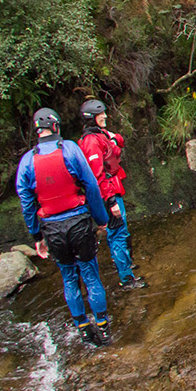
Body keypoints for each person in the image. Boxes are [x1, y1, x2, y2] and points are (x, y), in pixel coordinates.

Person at [16, 108, 112, 347]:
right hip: (78, 222)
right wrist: (101, 218)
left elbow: (27, 203)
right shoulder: (69, 148)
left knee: (69, 278)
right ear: (55, 126)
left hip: (52, 228)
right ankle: (103, 328)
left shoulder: (27, 161)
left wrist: (37, 236)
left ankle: (83, 330)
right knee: (90, 274)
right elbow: (90, 185)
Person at [78, 99, 146, 290]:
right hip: (107, 193)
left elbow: (119, 142)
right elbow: (97, 176)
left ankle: (126, 266)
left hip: (113, 188)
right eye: (101, 114)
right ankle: (126, 278)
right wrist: (110, 201)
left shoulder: (100, 135)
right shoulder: (91, 142)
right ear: (92, 118)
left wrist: (112, 138)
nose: (105, 116)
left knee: (120, 232)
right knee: (117, 234)